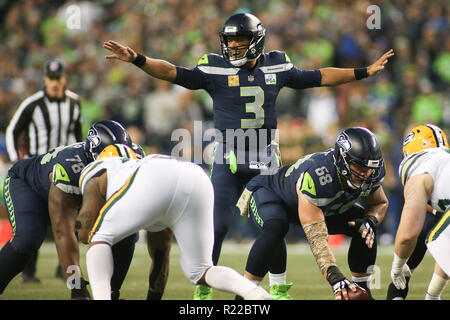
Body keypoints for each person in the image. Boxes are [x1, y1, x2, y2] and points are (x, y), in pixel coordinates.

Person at [102, 12, 394, 299]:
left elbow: (318, 77)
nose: (232, 47)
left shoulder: (277, 66)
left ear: (255, 41)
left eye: (239, 41)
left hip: (265, 159)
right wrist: (138, 59)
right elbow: (172, 72)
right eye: (230, 41)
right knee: (216, 226)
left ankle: (278, 288)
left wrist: (363, 72)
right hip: (228, 157)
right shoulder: (214, 68)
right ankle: (203, 288)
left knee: (274, 223)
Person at [75, 144, 271, 301]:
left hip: (152, 179)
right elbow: (161, 252)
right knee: (200, 270)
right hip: (196, 176)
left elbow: (85, 234)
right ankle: (253, 293)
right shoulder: (136, 165)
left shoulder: (99, 167)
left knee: (99, 237)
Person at [236, 127, 388, 300]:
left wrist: (371, 220)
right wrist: (335, 278)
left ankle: (362, 289)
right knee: (276, 226)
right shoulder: (318, 176)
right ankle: (244, 293)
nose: (365, 173)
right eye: (359, 166)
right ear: (341, 158)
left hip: (315, 206)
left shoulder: (370, 174)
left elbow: (379, 203)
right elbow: (317, 239)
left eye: (369, 167)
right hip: (270, 191)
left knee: (364, 226)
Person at [0, 120, 139, 299]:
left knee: (127, 231)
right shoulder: (70, 168)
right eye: (109, 163)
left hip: (77, 194)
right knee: (28, 238)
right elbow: (63, 231)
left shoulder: (135, 156)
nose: (115, 168)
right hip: (28, 186)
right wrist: (76, 285)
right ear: (92, 158)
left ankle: (112, 292)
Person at [5, 58, 82, 283]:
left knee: (69, 218)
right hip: (37, 170)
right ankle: (28, 272)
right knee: (36, 217)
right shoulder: (32, 103)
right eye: (51, 79)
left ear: (65, 79)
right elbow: (12, 130)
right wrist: (14, 159)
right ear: (45, 79)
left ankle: (64, 268)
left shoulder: (74, 102)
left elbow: (77, 134)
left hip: (64, 170)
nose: (55, 83)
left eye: (58, 78)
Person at [390, 124, 449, 300]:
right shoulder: (443, 160)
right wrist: (433, 295)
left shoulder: (420, 170)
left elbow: (408, 234)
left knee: (435, 237)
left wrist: (397, 267)